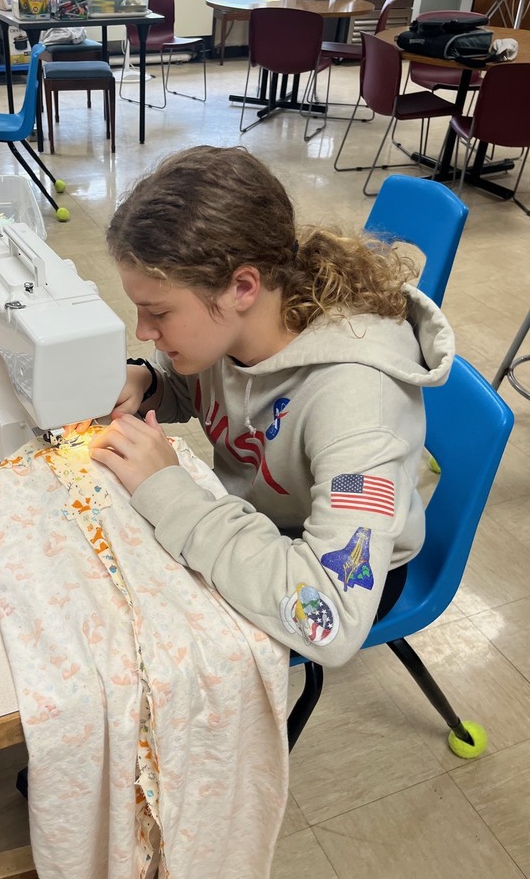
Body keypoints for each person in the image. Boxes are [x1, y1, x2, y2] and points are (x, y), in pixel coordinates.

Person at [89, 145, 455, 668]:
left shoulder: (360, 410)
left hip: (338, 576)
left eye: (159, 312)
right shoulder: (238, 331)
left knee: (140, 659)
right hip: (255, 526)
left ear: (242, 286)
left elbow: (328, 617)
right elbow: (210, 391)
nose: (144, 332)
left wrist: (172, 496)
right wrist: (150, 383)